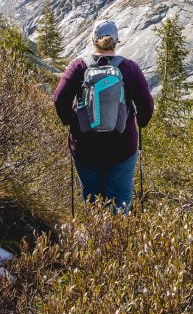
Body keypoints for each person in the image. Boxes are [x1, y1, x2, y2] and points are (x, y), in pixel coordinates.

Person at [53, 18, 154, 213]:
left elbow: (59, 99)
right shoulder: (130, 68)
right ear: (116, 41)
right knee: (120, 204)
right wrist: (141, 122)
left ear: (92, 40)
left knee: (92, 202)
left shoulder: (78, 67)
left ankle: (95, 237)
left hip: (85, 149)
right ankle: (117, 240)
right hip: (122, 149)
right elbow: (146, 105)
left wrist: (71, 121)